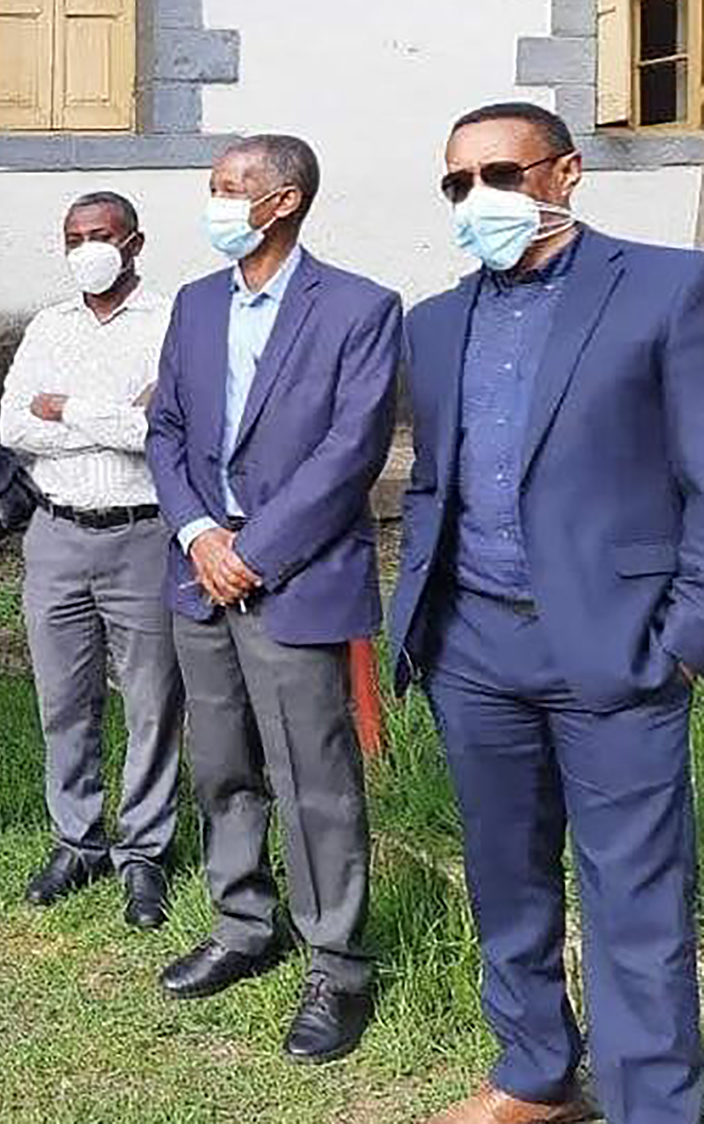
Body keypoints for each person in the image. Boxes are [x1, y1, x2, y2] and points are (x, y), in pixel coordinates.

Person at [392, 102, 704, 1124]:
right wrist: (423, 625)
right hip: (472, 644)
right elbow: (435, 481)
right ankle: (531, 1070)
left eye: (499, 173)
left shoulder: (664, 287)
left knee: (636, 898)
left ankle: (650, 1100)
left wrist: (684, 635)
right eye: (454, 182)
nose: (475, 197)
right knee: (504, 874)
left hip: (615, 644)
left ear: (564, 172)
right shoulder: (434, 322)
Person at [145, 135, 399, 1064]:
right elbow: (166, 428)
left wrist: (253, 550)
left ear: (282, 201)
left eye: (227, 189)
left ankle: (336, 963)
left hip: (290, 577)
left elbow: (351, 451)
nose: (214, 203)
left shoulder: (362, 308)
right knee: (220, 763)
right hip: (199, 571)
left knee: (314, 778)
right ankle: (243, 923)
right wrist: (198, 536)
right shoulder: (196, 302)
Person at [0, 192, 186, 930]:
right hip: (55, 535)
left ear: (133, 242)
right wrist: (113, 415)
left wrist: (67, 409)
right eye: (74, 236)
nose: (87, 248)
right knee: (63, 701)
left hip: (142, 535)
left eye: (100, 235)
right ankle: (77, 840)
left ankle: (144, 852)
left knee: (151, 702)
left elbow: (161, 428)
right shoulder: (50, 325)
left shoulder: (171, 322)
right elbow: (14, 424)